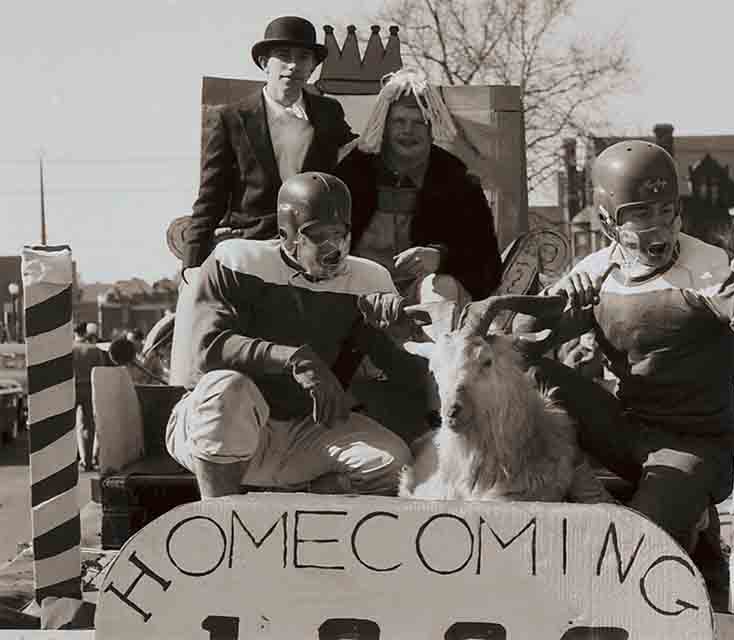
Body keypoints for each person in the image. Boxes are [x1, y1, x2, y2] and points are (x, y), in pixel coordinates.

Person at [514, 140, 734, 556]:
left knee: (635, 545)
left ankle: (687, 516)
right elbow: (520, 349)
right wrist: (552, 307)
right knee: (526, 375)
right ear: (608, 223)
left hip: (699, 443)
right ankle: (554, 476)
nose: (658, 224)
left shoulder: (709, 267)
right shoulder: (595, 272)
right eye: (639, 213)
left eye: (665, 209)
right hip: (628, 431)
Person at [167, 171, 412, 499]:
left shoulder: (368, 279)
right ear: (287, 234)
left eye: (339, 234)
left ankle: (298, 510)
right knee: (228, 389)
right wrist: (295, 359)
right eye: (317, 234)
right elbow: (208, 348)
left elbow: (403, 368)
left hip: (304, 430)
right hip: (225, 426)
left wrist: (396, 325)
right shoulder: (238, 261)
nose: (332, 248)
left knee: (394, 465)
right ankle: (222, 525)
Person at [181, 16, 357, 270]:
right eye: (284, 56)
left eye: (303, 57)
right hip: (253, 245)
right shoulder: (231, 118)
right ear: (264, 63)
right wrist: (191, 266)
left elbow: (355, 164)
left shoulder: (329, 114)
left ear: (313, 67)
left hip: (316, 249)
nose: (293, 65)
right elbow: (211, 197)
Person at [333, 69, 503, 313]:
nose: (408, 131)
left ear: (432, 128)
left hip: (422, 302)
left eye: (418, 123)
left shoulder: (457, 181)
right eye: (399, 121)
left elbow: (488, 265)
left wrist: (441, 258)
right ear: (385, 126)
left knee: (441, 287)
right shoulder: (352, 173)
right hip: (356, 292)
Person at [73, 324, 107, 471]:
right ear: (86, 334)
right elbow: (100, 371)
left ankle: (68, 461)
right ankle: (87, 461)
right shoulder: (94, 350)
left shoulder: (68, 349)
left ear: (75, 333)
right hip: (89, 389)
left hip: (72, 389)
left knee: (70, 427)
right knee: (88, 425)